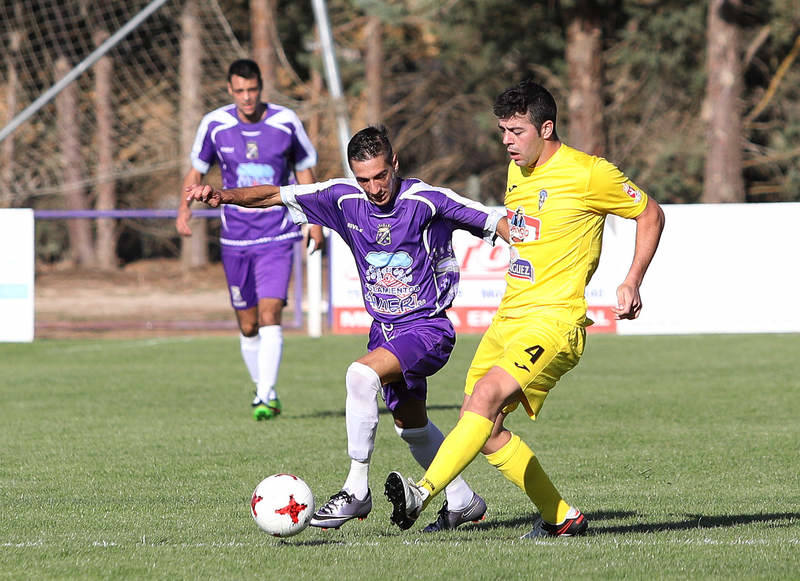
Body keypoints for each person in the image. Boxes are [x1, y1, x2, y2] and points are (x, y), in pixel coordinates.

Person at [186, 126, 510, 532]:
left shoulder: (426, 200)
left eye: (380, 176)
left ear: (394, 164)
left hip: (427, 329)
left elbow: (494, 218)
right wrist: (223, 196)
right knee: (412, 427)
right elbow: (275, 194)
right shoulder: (342, 198)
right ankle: (462, 500)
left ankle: (356, 491)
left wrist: (534, 252)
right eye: (364, 179)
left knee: (360, 376)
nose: (374, 188)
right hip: (385, 331)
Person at [384, 79, 665, 537]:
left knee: (486, 399)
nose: (507, 142)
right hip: (508, 318)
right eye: (503, 131)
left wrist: (631, 280)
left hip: (554, 321)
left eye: (516, 131)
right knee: (483, 425)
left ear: (546, 127)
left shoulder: (588, 173)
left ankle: (423, 490)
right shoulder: (519, 170)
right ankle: (562, 517)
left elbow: (650, 213)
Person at [176, 59, 323, 421]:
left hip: (276, 231)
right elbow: (197, 169)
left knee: (271, 312)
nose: (246, 97)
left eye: (252, 90)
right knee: (247, 323)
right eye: (239, 91)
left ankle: (263, 397)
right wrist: (184, 209)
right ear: (230, 90)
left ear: (261, 88)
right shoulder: (214, 124)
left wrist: (315, 220)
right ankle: (264, 390)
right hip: (235, 237)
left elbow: (305, 169)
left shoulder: (286, 122)